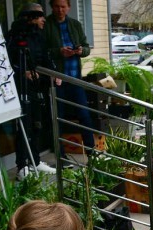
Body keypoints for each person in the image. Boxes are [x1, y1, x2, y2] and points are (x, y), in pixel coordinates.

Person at [7, 3, 58, 177]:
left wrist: (54, 73)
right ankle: (22, 165)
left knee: (37, 124)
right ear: (31, 18)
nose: (44, 19)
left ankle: (35, 161)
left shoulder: (39, 37)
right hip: (21, 87)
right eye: (40, 16)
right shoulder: (15, 36)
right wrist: (23, 72)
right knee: (24, 125)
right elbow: (8, 61)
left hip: (38, 85)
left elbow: (45, 57)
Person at [44, 0, 94, 150]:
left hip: (75, 78)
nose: (60, 10)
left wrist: (81, 51)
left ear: (68, 8)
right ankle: (59, 153)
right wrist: (59, 52)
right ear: (52, 7)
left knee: (84, 114)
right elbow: (42, 51)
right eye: (57, 7)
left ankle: (91, 151)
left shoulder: (75, 24)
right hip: (56, 79)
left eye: (63, 7)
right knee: (57, 116)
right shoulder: (46, 25)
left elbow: (86, 47)